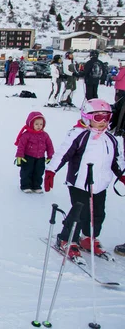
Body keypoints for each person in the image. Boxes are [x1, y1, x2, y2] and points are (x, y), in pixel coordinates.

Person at [45, 99, 124, 258]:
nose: (102, 122)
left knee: (98, 214)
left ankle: (88, 237)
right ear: (87, 117)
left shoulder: (111, 139)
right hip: (79, 183)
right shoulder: (79, 135)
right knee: (79, 213)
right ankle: (67, 238)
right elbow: (63, 154)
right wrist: (51, 171)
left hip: (100, 184)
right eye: (98, 118)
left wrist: (122, 175)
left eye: (106, 118)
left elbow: (117, 160)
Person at [14, 112, 54, 193]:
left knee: (38, 172)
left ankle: (36, 186)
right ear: (31, 124)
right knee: (27, 172)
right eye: (36, 124)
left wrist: (50, 156)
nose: (39, 126)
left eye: (41, 124)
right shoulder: (26, 135)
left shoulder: (45, 135)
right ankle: (26, 186)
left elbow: (49, 145)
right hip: (28, 157)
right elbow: (21, 146)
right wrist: (19, 156)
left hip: (40, 158)